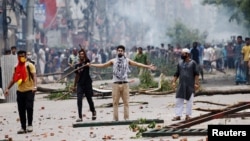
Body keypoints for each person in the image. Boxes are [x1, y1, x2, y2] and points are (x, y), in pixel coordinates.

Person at [89, 45, 156, 121]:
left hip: (125, 84)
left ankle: (126, 118)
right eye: (119, 50)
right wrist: (91, 65)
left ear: (123, 52)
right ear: (117, 52)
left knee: (126, 102)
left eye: (121, 51)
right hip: (115, 84)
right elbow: (103, 65)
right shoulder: (113, 61)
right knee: (115, 102)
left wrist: (148, 66)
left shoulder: (127, 61)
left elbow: (137, 64)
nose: (120, 52)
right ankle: (115, 119)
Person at [4, 50, 37, 134]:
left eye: (22, 56)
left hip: (30, 90)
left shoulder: (30, 65)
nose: (21, 58)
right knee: (21, 110)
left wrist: (35, 86)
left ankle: (30, 125)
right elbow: (13, 79)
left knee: (29, 107)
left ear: (25, 56)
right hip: (20, 91)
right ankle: (23, 127)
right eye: (19, 56)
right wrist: (7, 88)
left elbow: (34, 76)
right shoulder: (16, 67)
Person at [171, 48, 199, 121]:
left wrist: (196, 83)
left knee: (189, 101)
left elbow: (196, 74)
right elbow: (177, 73)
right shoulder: (180, 63)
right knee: (178, 100)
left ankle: (188, 115)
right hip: (181, 85)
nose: (182, 55)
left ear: (187, 54)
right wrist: (174, 81)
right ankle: (178, 115)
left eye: (183, 53)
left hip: (190, 85)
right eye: (182, 53)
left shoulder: (193, 63)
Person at [72, 49, 96, 122]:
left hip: (87, 83)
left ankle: (93, 111)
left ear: (84, 55)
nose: (81, 55)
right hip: (80, 84)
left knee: (89, 99)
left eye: (82, 54)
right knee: (79, 99)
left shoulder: (87, 62)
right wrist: (74, 85)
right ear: (79, 56)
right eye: (80, 54)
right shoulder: (77, 66)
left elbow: (89, 62)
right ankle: (80, 116)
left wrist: (87, 64)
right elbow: (77, 76)